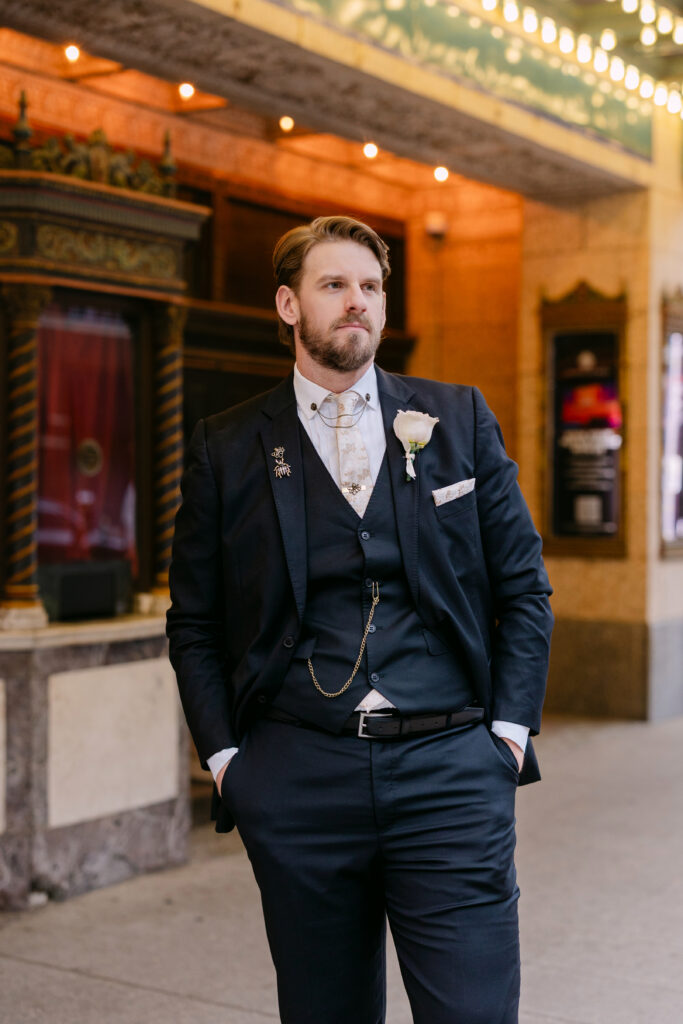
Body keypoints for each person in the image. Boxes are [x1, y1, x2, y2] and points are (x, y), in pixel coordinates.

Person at [167, 215, 553, 1024]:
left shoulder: (458, 419)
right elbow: (194, 621)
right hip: (299, 776)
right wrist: (232, 761)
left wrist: (507, 737)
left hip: (451, 767)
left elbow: (522, 588)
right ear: (287, 304)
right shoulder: (228, 445)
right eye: (333, 285)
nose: (356, 304)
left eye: (370, 287)